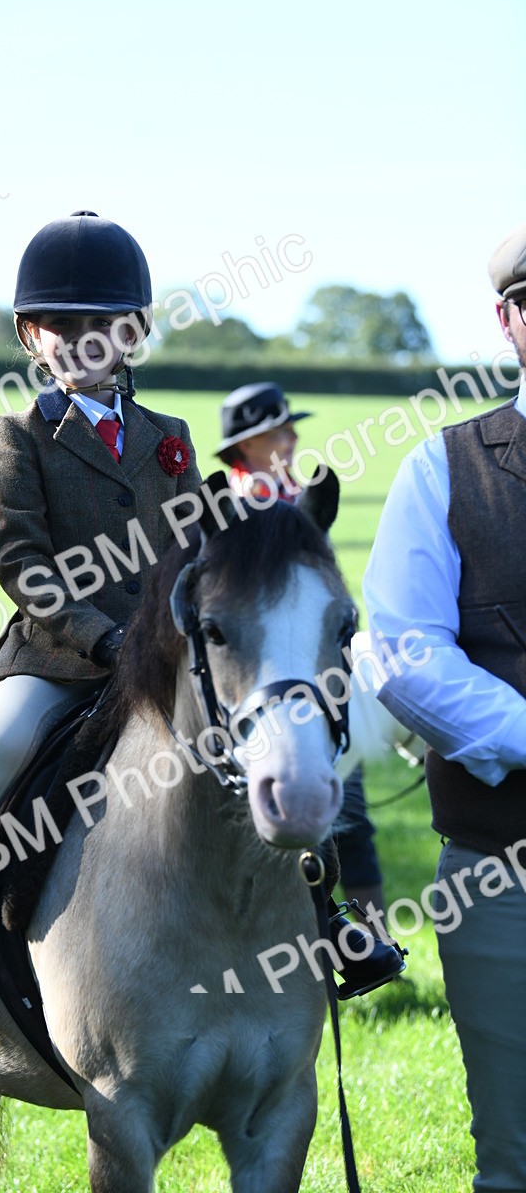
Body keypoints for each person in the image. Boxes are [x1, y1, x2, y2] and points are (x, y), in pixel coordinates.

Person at [0, 210, 201, 1026]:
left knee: (264, 726)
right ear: (31, 335)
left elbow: (194, 543)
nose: (80, 342)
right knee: (4, 746)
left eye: (101, 327)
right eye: (60, 327)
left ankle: (325, 910)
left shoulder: (172, 437)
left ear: (131, 335)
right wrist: (103, 636)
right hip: (60, 654)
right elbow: (22, 564)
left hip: (162, 647)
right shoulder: (16, 437)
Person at [363, 222, 526, 1189]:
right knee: (514, 1158)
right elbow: (403, 652)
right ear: (509, 321)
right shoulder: (443, 471)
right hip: (501, 876)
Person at [215, 382, 403, 995]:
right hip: (263, 688)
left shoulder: (294, 498)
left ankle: (364, 936)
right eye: (280, 431)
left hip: (318, 675)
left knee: (352, 812)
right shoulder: (241, 508)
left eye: (292, 430)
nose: (292, 438)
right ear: (247, 444)